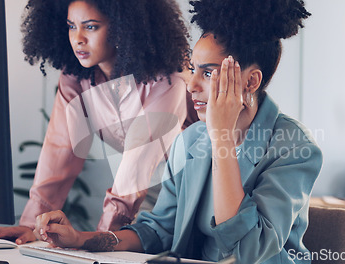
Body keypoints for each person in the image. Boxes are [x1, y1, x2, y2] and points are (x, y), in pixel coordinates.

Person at [32, 0, 323, 262]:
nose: (192, 84)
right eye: (193, 70)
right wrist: (80, 240)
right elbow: (158, 230)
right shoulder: (192, 139)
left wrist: (222, 137)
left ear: (250, 81)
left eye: (207, 73)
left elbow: (248, 251)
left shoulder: (294, 148)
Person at [0, 0, 197, 244]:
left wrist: (98, 241)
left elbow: (138, 162)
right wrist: (32, 226)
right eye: (71, 26)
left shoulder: (167, 77)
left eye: (91, 27)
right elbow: (59, 150)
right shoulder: (76, 77)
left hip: (192, 186)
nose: (78, 38)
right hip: (139, 192)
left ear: (123, 26)